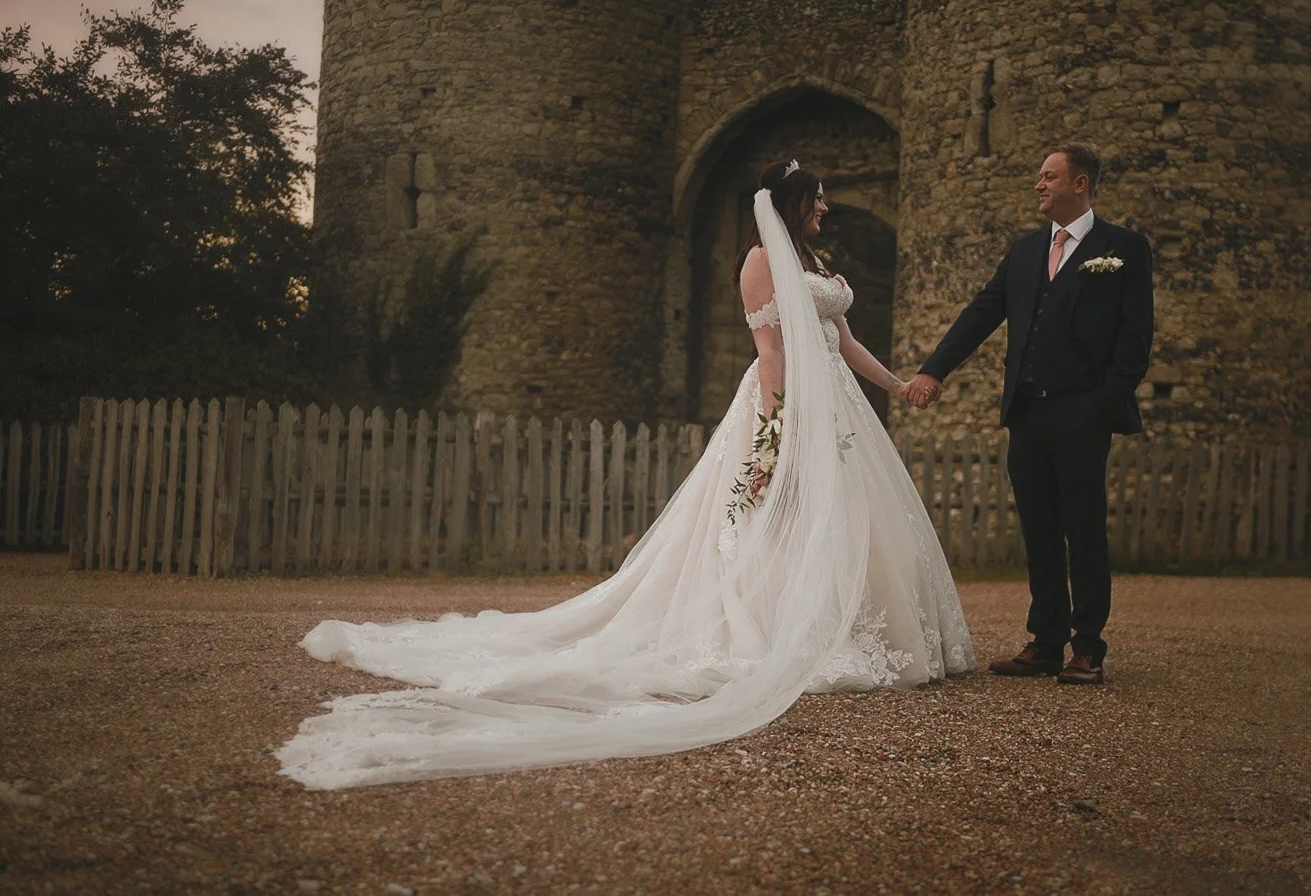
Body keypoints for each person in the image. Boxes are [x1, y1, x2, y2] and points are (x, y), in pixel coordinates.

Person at [276, 159, 975, 788]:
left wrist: (898, 387)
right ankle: (780, 630)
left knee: (844, 520)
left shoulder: (813, 260)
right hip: (787, 405)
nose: (825, 208)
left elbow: (842, 339)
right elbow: (770, 350)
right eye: (817, 200)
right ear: (793, 203)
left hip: (842, 411)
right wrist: (776, 427)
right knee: (776, 519)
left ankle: (851, 623)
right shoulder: (762, 260)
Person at [904, 143, 1154, 686]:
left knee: (1084, 530)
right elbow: (982, 314)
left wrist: (1103, 401)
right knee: (1039, 529)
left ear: (1080, 183)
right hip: (1028, 413)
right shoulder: (1024, 251)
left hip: (1082, 413)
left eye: (1048, 176)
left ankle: (1087, 648)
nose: (1038, 185)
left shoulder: (1124, 248)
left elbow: (1136, 338)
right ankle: (1045, 642)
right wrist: (933, 370)